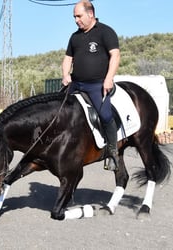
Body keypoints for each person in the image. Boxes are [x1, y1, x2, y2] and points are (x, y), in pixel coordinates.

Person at [61, 0, 121, 171]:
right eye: (74, 17)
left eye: (78, 16)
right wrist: (65, 75)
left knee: (106, 115)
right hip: (76, 84)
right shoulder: (75, 37)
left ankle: (112, 152)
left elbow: (115, 56)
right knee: (59, 109)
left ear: (91, 14)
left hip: (97, 85)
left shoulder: (106, 32)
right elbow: (67, 59)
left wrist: (109, 78)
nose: (76, 20)